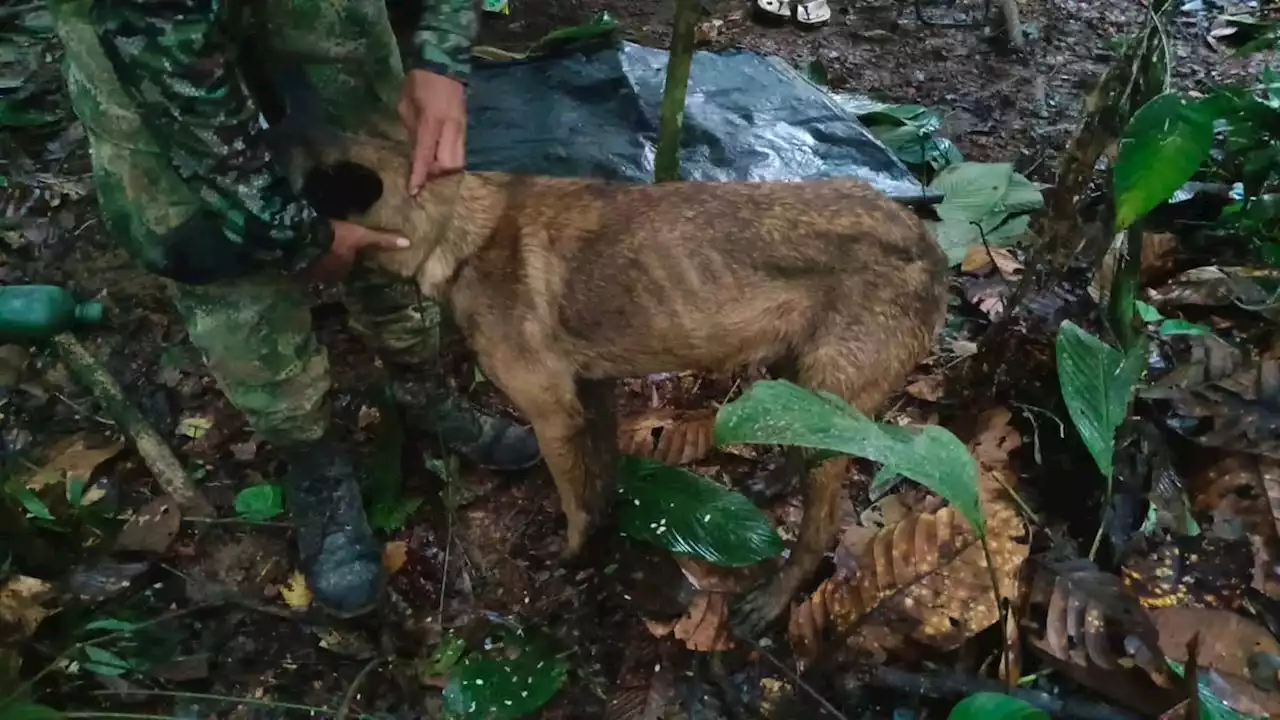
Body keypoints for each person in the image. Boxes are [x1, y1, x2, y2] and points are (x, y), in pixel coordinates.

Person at [46, 0, 541, 618]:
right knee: (218, 260)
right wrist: (297, 237)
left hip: (325, 28)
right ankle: (311, 455)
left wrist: (441, 54)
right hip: (159, 74)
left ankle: (421, 388)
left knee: (399, 198)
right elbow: (179, 82)